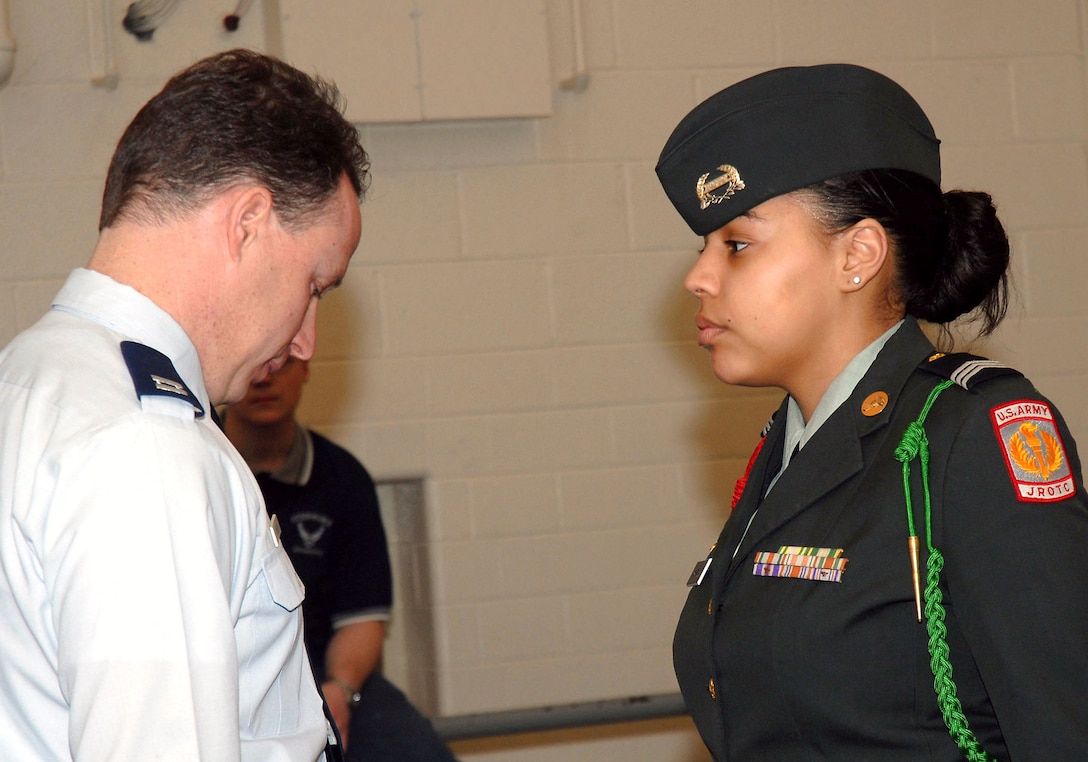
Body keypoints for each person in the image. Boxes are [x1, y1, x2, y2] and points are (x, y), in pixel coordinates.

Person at [656, 63, 1088, 760]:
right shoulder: (791, 445)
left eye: (736, 244)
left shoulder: (966, 434)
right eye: (705, 248)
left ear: (857, 255)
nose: (699, 277)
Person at [0, 49, 369, 761]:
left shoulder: (28, 380)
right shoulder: (146, 447)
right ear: (248, 223)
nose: (306, 342)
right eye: (315, 285)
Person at [223, 357, 459, 761]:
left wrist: (340, 691)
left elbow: (362, 620)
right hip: (227, 680)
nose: (265, 378)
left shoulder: (344, 478)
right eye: (258, 363)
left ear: (306, 369)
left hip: (323, 676)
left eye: (282, 364)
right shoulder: (201, 471)